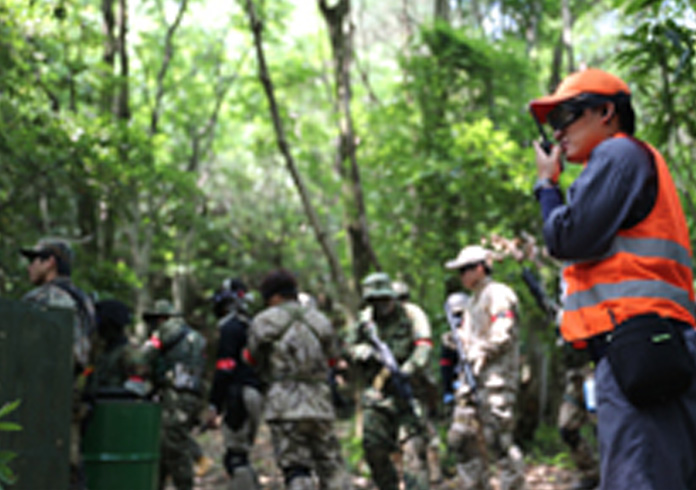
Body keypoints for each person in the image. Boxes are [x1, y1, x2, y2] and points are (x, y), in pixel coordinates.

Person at [530, 68, 696, 489]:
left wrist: (547, 186)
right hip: (642, 345)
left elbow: (567, 236)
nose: (558, 132)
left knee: (638, 479)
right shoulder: (623, 162)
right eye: (552, 123)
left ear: (606, 112)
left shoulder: (618, 155)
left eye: (566, 116)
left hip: (640, 346)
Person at [245, 268, 352, 490]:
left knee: (296, 468)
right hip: (320, 403)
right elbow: (334, 360)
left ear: (273, 296)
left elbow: (252, 359)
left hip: (284, 405)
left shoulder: (263, 321)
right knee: (331, 464)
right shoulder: (320, 320)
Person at [444, 245, 525, 490]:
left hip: (495, 380)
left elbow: (502, 334)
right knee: (462, 438)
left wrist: (479, 349)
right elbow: (471, 338)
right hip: (471, 382)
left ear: (479, 268)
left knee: (499, 442)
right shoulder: (473, 301)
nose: (462, 277)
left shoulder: (497, 293)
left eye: (464, 270)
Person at [20, 238, 96, 490]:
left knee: (39, 469)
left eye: (34, 259)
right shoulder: (84, 300)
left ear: (50, 262)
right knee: (70, 466)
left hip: (41, 396)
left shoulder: (42, 298)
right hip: (74, 392)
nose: (29, 267)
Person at [346, 272, 432, 490]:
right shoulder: (365, 320)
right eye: (375, 301)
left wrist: (407, 369)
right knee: (373, 447)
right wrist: (362, 351)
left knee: (413, 453)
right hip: (377, 396)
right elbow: (347, 348)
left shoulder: (411, 315)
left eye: (384, 299)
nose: (380, 305)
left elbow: (424, 347)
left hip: (409, 393)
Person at [141, 299, 207, 490]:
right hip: (192, 396)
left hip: (173, 396)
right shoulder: (196, 337)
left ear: (163, 318)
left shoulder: (166, 330)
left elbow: (144, 356)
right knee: (166, 446)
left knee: (174, 449)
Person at [207, 278, 263, 489]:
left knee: (235, 458)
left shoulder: (230, 328)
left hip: (239, 396)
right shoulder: (254, 327)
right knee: (242, 455)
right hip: (255, 394)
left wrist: (214, 404)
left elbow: (225, 369)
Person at [88, 299, 149, 397]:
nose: (97, 326)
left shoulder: (130, 354)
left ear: (111, 324)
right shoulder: (102, 351)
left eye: (99, 321)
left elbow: (138, 393)